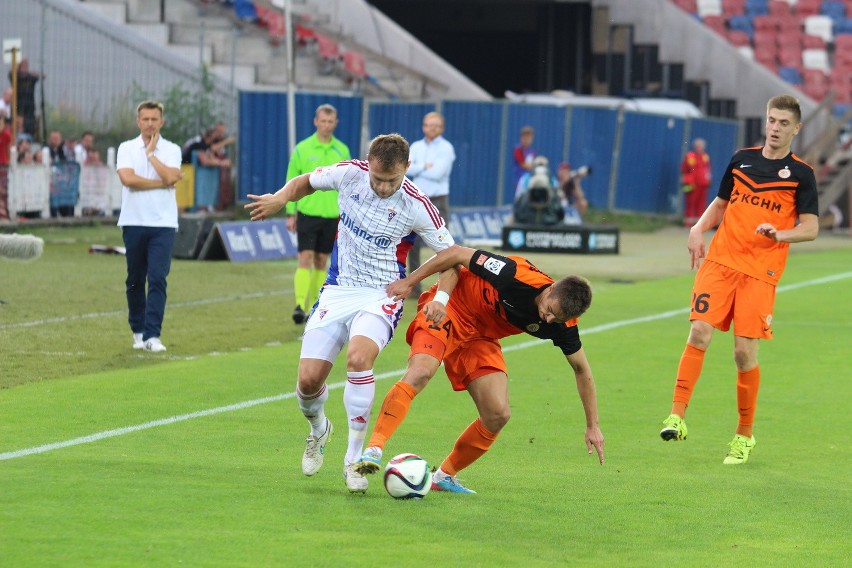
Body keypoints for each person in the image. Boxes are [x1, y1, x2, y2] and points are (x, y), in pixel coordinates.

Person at [244, 133, 456, 494]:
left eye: (392, 179)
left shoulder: (418, 204)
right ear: (368, 163)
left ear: (407, 167)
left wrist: (442, 298)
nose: (383, 186)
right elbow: (304, 182)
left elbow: (452, 258)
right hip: (339, 290)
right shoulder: (349, 174)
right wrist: (281, 198)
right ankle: (319, 430)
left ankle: (354, 461)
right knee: (308, 382)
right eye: (377, 178)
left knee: (359, 359)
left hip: (382, 294)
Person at [355, 244, 605, 493]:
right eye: (549, 310)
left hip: (480, 337)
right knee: (421, 371)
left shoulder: (564, 325)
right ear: (551, 289)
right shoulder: (513, 274)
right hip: (450, 309)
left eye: (556, 319)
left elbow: (582, 370)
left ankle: (443, 476)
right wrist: (411, 282)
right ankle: (374, 449)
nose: (547, 320)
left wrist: (592, 425)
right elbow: (453, 254)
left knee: (497, 414)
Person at [659, 95, 819, 465]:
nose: (775, 128)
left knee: (743, 353)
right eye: (771, 120)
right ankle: (677, 416)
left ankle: (744, 436)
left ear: (796, 129)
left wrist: (780, 235)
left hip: (760, 272)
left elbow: (810, 228)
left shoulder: (801, 174)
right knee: (699, 331)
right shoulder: (741, 159)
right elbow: (720, 203)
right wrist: (698, 230)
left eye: (783, 123)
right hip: (720, 262)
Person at [116, 100, 183, 353]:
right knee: (135, 278)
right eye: (145, 119)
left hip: (163, 224)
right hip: (133, 221)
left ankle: (153, 335)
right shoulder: (126, 147)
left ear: (161, 121)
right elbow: (128, 180)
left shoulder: (171, 149)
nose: (149, 124)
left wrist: (152, 155)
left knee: (158, 278)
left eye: (154, 119)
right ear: (138, 121)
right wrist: (161, 183)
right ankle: (138, 330)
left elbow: (170, 176)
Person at [283, 104, 351, 324]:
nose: (326, 125)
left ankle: (315, 304)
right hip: (308, 212)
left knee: (322, 261)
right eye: (323, 121)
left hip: (332, 215)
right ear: (316, 122)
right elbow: (291, 180)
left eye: (330, 122)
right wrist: (290, 212)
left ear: (336, 124)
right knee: (305, 258)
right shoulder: (303, 149)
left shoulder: (342, 150)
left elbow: (348, 183)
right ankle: (299, 305)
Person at [405, 111, 455, 297]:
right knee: (412, 246)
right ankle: (414, 288)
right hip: (419, 200)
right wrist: (426, 166)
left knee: (444, 248)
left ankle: (445, 288)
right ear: (423, 126)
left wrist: (420, 168)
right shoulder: (416, 146)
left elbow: (438, 174)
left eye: (435, 125)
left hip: (438, 200)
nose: (431, 128)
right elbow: (407, 168)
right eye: (428, 124)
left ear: (441, 128)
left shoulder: (446, 148)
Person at [681, 137, 712, 227]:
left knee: (701, 205)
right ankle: (688, 223)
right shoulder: (690, 156)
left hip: (703, 184)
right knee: (690, 203)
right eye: (698, 146)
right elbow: (684, 169)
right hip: (691, 185)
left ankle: (699, 225)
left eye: (701, 146)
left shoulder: (705, 156)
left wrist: (708, 180)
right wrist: (686, 181)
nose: (700, 148)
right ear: (694, 146)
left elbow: (708, 169)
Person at [8, 59, 41, 136]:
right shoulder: (16, 76)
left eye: (25, 65)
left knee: (29, 124)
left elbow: (40, 76)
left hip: (29, 105)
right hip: (17, 104)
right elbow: (10, 73)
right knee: (15, 120)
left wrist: (29, 72)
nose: (23, 68)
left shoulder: (30, 77)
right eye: (22, 65)